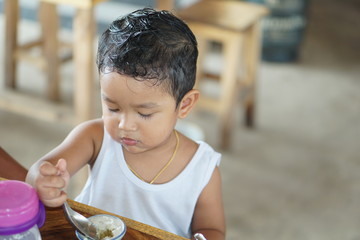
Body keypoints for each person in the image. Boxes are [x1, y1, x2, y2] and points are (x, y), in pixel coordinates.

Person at [26, 8, 225, 240]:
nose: (125, 125)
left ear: (185, 105)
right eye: (113, 108)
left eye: (144, 113)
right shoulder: (95, 137)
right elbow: (42, 169)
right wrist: (42, 178)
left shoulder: (202, 168)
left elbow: (213, 229)